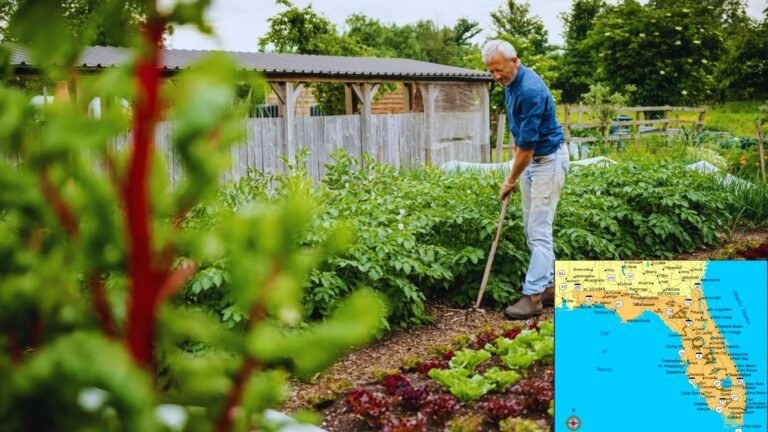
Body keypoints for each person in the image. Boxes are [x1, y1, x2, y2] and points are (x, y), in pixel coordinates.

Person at [482, 39, 569, 320]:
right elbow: (520, 133)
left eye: (499, 70)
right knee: (534, 229)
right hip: (532, 161)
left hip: (546, 161)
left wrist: (508, 181)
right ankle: (549, 287)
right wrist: (516, 157)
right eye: (491, 71)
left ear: (515, 61)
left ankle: (533, 296)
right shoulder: (511, 84)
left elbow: (528, 148)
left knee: (539, 230)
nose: (496, 76)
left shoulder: (530, 90)